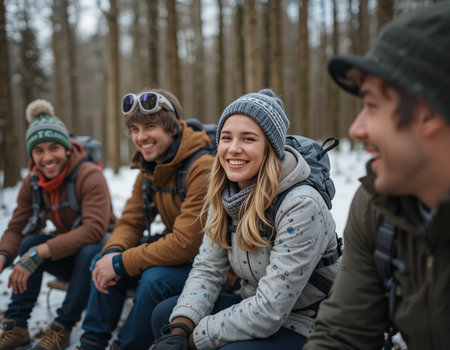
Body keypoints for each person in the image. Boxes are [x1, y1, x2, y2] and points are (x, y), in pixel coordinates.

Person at [304, 3, 450, 350]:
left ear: (428, 111)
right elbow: (342, 334)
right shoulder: (378, 205)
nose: (355, 129)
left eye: (370, 105)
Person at [151, 89, 341, 350]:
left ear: (270, 148)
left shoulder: (301, 205)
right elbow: (208, 269)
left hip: (312, 323)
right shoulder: (225, 193)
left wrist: (192, 341)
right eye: (226, 138)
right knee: (167, 316)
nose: (233, 149)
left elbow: (270, 310)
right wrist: (181, 328)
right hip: (254, 306)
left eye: (248, 139)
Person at [75, 89, 214, 350]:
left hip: (211, 265)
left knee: (154, 280)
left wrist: (121, 263)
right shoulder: (150, 167)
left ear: (172, 129)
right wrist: (113, 253)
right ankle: (90, 343)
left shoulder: (201, 166)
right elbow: (130, 221)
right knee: (101, 260)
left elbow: (187, 243)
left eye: (150, 127)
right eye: (135, 129)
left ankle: (126, 346)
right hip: (178, 257)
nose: (141, 137)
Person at [0, 99, 116, 350]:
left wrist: (40, 252)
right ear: (31, 155)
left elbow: (94, 230)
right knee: (29, 241)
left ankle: (62, 328)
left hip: (102, 256)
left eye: (54, 148)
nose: (47, 157)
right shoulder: (32, 183)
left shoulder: (89, 175)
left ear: (66, 148)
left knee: (88, 250)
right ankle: (16, 325)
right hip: (68, 257)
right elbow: (16, 228)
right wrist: (3, 255)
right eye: (39, 151)